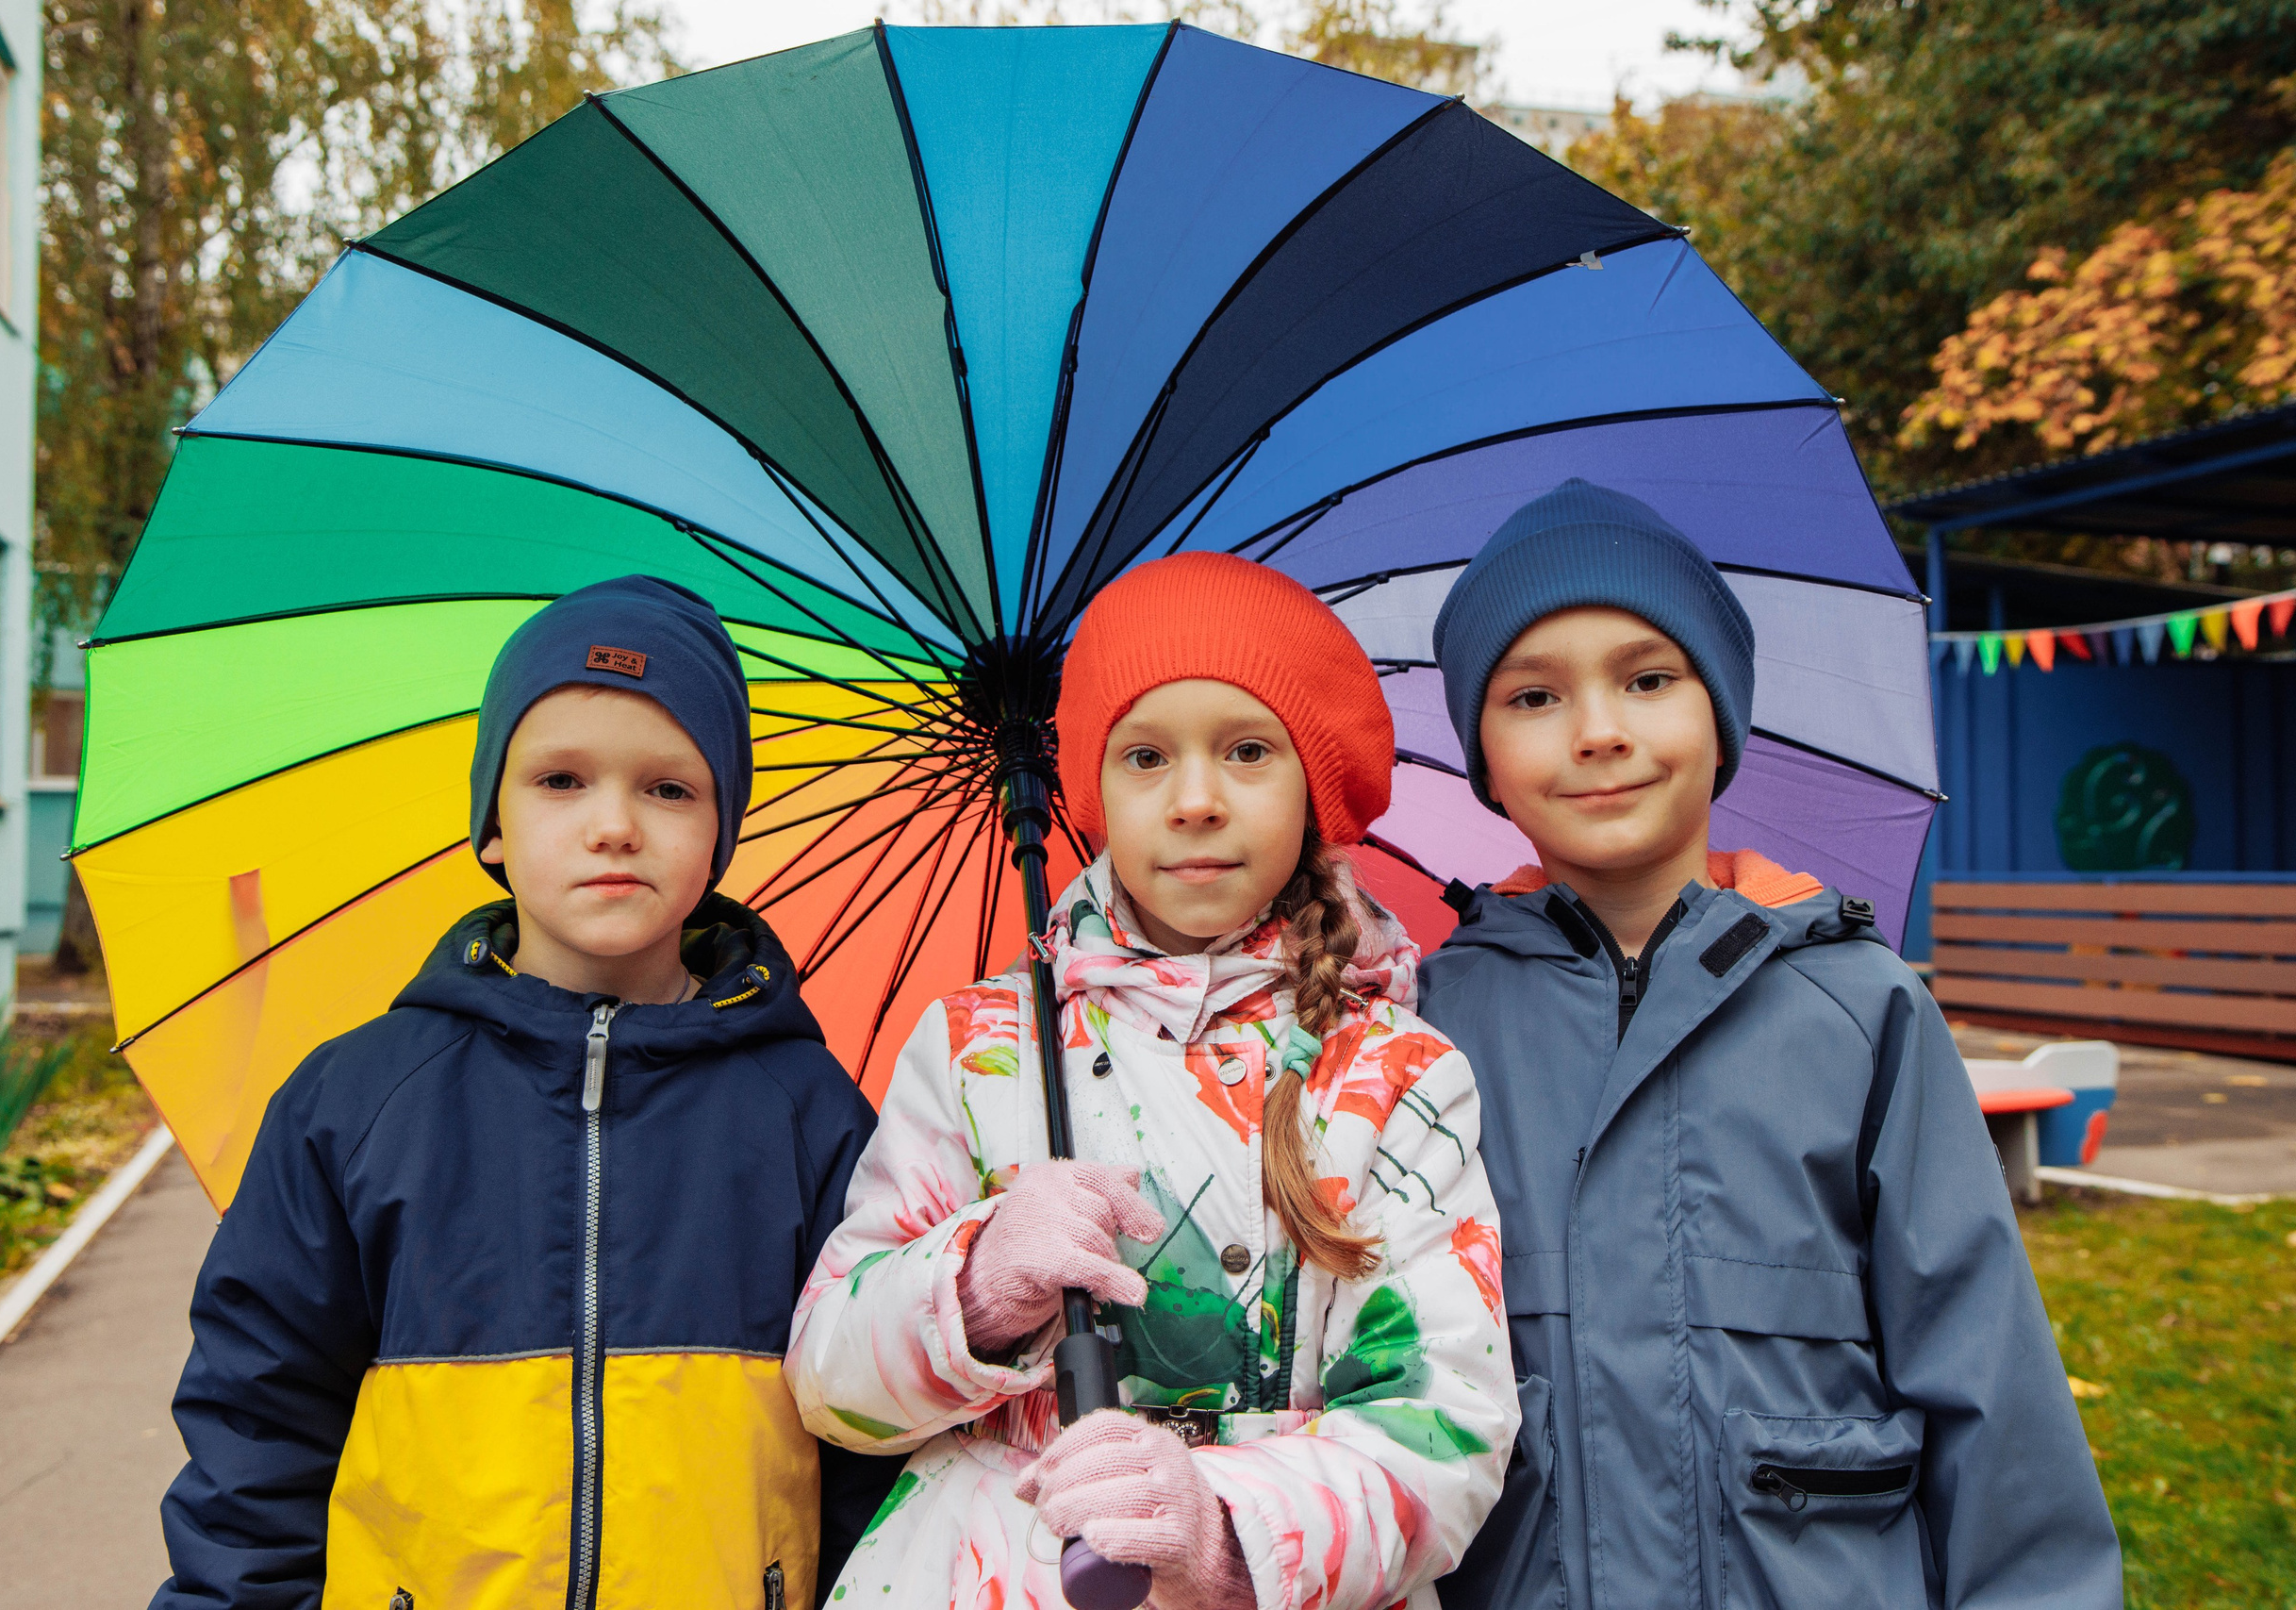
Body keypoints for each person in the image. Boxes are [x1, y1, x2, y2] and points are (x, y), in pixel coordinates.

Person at [1418, 481, 2122, 1610]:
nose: (1599, 730)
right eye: (1534, 695)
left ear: (1723, 717)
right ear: (1482, 758)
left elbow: (1989, 1382)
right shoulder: (1422, 1033)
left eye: (1648, 679)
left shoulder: (1860, 1009)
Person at [785, 553, 1518, 1610]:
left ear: (1312, 786)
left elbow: (1445, 1418)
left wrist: (1220, 1531)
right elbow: (829, 1384)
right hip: (988, 1569)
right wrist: (978, 1283)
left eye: (1248, 751)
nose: (1195, 801)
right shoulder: (980, 1044)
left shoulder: (1395, 1073)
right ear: (1088, 792)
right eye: (1144, 757)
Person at [153, 575, 897, 1610]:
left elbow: (875, 1443)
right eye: (560, 780)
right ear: (490, 824)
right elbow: (257, 1430)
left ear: (721, 835)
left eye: (668, 789)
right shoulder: (356, 1102)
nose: (613, 825)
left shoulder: (809, 1114)